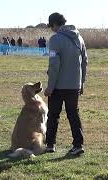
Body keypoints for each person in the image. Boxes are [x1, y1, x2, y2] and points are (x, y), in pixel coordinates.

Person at [44, 12, 88, 156]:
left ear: (55, 24)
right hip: (74, 85)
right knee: (73, 115)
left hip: (58, 86)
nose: (51, 29)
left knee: (53, 115)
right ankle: (78, 145)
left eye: (51, 26)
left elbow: (54, 64)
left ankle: (50, 144)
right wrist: (81, 83)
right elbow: (84, 62)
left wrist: (50, 86)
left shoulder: (55, 39)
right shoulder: (79, 38)